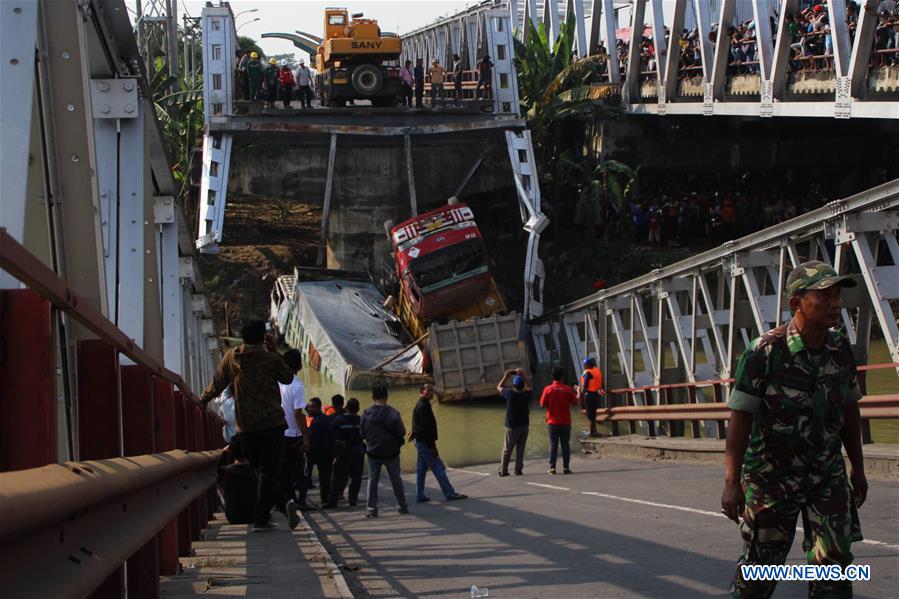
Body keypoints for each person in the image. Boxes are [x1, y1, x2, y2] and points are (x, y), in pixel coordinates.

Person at [722, 261, 867, 598]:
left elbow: (849, 409)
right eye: (824, 296)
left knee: (834, 566)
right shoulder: (765, 352)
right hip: (771, 479)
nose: (835, 304)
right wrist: (732, 482)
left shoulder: (840, 349)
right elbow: (740, 418)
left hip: (826, 476)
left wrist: (857, 469)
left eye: (836, 296)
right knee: (760, 571)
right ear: (796, 303)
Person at [200, 320, 299, 532]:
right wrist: (274, 351)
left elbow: (217, 383)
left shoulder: (232, 358)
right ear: (263, 337)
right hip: (273, 423)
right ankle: (272, 511)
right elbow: (289, 378)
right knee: (268, 471)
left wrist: (202, 400)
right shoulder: (269, 358)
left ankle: (275, 509)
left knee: (260, 471)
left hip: (246, 426)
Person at [410, 383, 468, 503]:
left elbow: (418, 425)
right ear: (422, 392)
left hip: (421, 442)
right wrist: (432, 447)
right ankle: (449, 493)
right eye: (428, 390)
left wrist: (414, 433)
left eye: (432, 390)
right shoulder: (423, 407)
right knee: (438, 467)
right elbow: (426, 430)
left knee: (421, 469)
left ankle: (420, 495)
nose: (431, 392)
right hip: (425, 444)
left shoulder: (422, 405)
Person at [360, 385, 409, 517]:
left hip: (373, 453)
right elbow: (401, 432)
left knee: (372, 480)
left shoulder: (366, 413)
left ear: (372, 397)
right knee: (396, 480)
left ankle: (371, 509)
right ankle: (402, 506)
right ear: (387, 397)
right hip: (391, 453)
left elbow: (362, 433)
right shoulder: (393, 413)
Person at [278, 349, 311, 510]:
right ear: (299, 365)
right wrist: (305, 437)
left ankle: (286, 500)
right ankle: (300, 502)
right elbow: (299, 413)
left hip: (280, 433)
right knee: (301, 470)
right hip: (293, 434)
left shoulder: (278, 382)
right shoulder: (297, 385)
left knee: (284, 470)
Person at [539, 366, 579, 474]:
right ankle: (566, 467)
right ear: (562, 377)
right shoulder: (567, 389)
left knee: (553, 444)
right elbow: (576, 403)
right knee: (565, 444)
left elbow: (542, 404)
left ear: (552, 377)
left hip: (552, 422)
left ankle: (552, 468)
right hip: (565, 422)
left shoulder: (548, 389)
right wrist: (579, 392)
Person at [326, 397, 365, 508]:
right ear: (358, 409)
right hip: (358, 452)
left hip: (343, 452)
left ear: (346, 407)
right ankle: (353, 499)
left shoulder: (339, 420)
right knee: (356, 477)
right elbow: (365, 434)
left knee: (338, 477)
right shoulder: (360, 420)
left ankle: (333, 500)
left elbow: (331, 433)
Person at [496, 368, 531, 476]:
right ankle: (518, 469)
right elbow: (530, 387)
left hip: (512, 426)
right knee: (520, 449)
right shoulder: (527, 394)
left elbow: (498, 388)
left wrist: (506, 376)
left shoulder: (510, 394)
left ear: (514, 386)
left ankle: (503, 470)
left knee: (507, 449)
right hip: (524, 425)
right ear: (522, 385)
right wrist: (523, 375)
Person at [306, 397, 334, 505]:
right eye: (309, 407)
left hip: (318, 452)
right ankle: (326, 497)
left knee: (321, 476)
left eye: (312, 407)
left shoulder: (317, 421)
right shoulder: (325, 419)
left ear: (318, 407)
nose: (309, 409)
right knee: (325, 477)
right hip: (325, 453)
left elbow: (313, 438)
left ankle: (323, 497)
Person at [577, 357, 604, 437]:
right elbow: (600, 383)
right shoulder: (597, 370)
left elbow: (585, 386)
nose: (584, 366)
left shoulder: (587, 373)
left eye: (585, 365)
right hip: (596, 394)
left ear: (589, 365)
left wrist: (579, 391)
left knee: (590, 415)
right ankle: (594, 431)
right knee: (593, 413)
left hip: (589, 395)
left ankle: (592, 432)